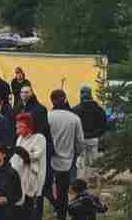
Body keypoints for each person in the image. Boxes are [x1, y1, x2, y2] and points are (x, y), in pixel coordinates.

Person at [48, 90, 86, 220]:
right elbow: (80, 142)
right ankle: (61, 215)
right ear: (65, 99)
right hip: (67, 161)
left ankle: (56, 207)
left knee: (47, 189)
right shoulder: (74, 118)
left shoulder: (47, 117)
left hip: (50, 160)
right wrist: (75, 154)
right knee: (63, 192)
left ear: (51, 101)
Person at [10, 114, 46, 220]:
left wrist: (21, 152)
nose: (17, 128)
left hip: (32, 180)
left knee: (30, 211)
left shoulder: (39, 138)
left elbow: (34, 156)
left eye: (20, 126)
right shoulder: (20, 139)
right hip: (19, 178)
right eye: (16, 125)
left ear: (28, 126)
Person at [72, 86, 107, 186]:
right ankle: (95, 181)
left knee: (81, 161)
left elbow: (72, 125)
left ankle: (81, 183)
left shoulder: (75, 109)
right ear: (91, 95)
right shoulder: (99, 110)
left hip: (80, 139)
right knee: (94, 161)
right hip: (94, 139)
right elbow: (104, 126)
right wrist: (96, 134)